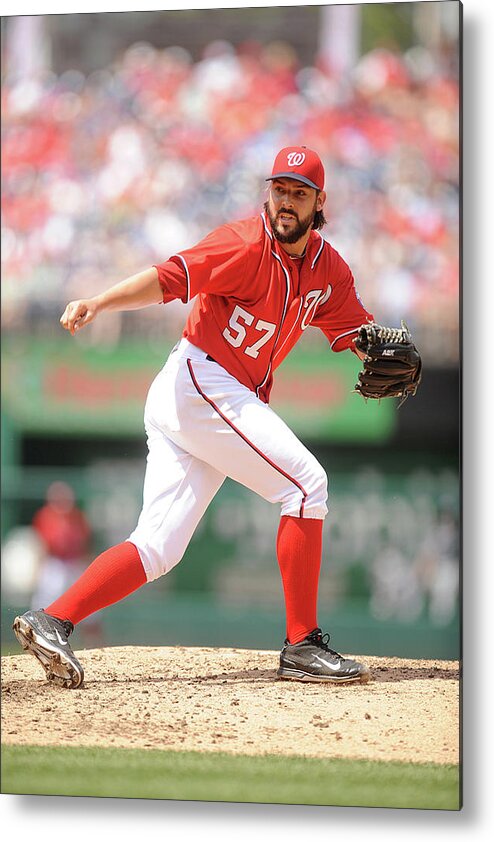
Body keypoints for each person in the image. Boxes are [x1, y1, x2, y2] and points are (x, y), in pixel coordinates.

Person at [14, 146, 376, 689]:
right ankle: (301, 643)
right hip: (201, 381)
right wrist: (99, 302)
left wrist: (381, 350)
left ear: (319, 202)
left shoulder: (329, 268)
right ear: (268, 192)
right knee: (305, 486)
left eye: (299, 193)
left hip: (201, 396)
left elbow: (355, 332)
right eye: (279, 189)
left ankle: (53, 619)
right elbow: (167, 278)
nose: (286, 202)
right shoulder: (242, 244)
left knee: (159, 548)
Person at [29, 481, 103, 648]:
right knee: (42, 607)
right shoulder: (46, 516)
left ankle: (95, 648)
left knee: (90, 604)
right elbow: (43, 545)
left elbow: (85, 544)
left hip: (75, 563)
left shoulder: (77, 517)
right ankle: (37, 645)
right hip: (54, 565)